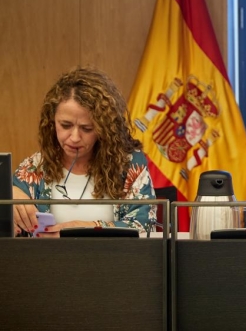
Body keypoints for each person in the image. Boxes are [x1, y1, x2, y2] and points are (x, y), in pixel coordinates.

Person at [12, 67, 157, 237]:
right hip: (49, 262)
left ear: (103, 129)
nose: (74, 137)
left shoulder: (128, 164)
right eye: (65, 125)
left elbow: (145, 227)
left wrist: (82, 229)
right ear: (52, 123)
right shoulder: (34, 167)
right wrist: (9, 196)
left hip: (112, 262)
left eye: (87, 128)